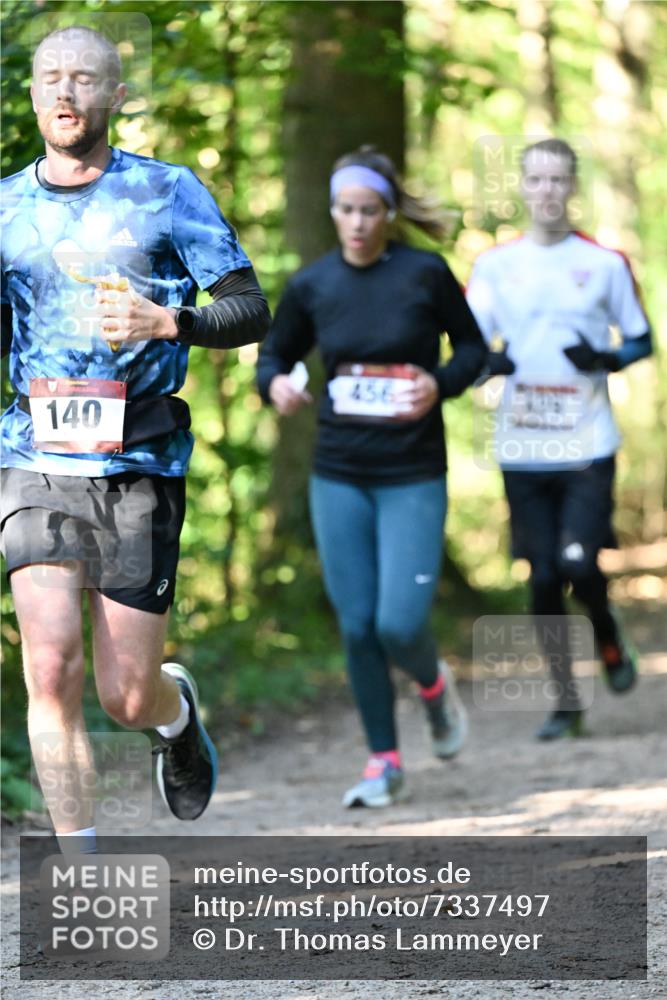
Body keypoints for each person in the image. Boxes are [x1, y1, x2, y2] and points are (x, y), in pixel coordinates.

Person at [0, 25, 270, 849]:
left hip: (140, 457)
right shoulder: (6, 205)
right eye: (50, 78)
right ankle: (78, 863)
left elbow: (249, 308)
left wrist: (170, 320)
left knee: (124, 692)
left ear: (116, 95)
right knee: (49, 669)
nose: (65, 93)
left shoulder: (165, 192)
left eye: (84, 79)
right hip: (33, 457)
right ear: (33, 93)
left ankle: (173, 712)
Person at [257, 147, 486, 807]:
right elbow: (274, 354)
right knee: (356, 626)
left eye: (368, 210)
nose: (355, 223)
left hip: (411, 472)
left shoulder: (424, 274)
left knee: (397, 622)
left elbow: (472, 349)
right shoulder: (312, 284)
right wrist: (276, 386)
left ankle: (433, 687)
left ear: (388, 214)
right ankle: (382, 761)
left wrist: (435, 384)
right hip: (339, 473)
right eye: (345, 210)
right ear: (333, 212)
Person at [467, 137, 652, 741]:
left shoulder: (604, 263)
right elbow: (471, 347)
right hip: (521, 445)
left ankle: (604, 629)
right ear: (522, 187)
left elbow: (641, 340)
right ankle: (566, 701)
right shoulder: (495, 267)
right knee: (544, 576)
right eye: (536, 180)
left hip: (588, 443)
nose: (547, 191)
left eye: (558, 180)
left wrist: (606, 356)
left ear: (572, 187)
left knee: (579, 561)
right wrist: (486, 365)